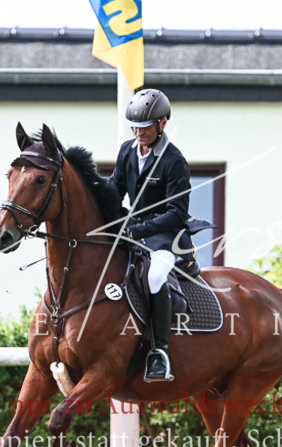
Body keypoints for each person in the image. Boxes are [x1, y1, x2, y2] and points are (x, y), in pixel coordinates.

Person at [109, 88, 193, 382]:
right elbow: (114, 190)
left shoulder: (174, 161)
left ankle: (160, 353)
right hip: (133, 232)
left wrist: (136, 228)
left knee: (155, 276)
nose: (138, 132)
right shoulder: (126, 151)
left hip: (165, 237)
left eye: (145, 127)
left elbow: (176, 213)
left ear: (163, 124)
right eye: (135, 126)